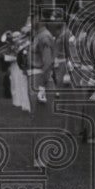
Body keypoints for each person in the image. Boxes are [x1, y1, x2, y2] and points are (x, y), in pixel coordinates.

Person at [27, 15, 57, 168]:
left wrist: (43, 86)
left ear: (40, 19)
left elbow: (48, 63)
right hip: (35, 78)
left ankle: (43, 158)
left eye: (33, 18)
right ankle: (39, 156)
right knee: (36, 119)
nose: (31, 22)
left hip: (40, 80)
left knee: (42, 120)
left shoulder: (44, 36)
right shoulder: (38, 36)